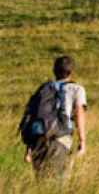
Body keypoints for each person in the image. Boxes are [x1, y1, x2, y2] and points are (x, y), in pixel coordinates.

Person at [22, 55, 87, 183]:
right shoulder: (76, 89)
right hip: (60, 139)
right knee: (58, 184)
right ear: (71, 71)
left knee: (41, 183)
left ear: (54, 71)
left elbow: (32, 116)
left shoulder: (43, 89)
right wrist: (82, 141)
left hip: (37, 140)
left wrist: (29, 149)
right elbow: (80, 113)